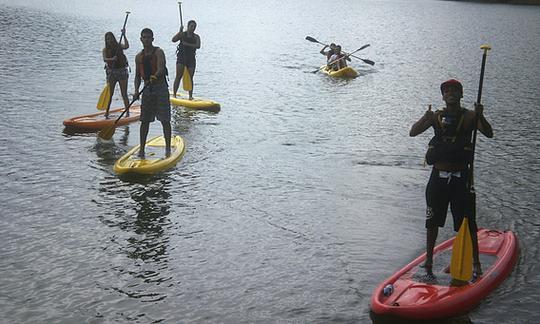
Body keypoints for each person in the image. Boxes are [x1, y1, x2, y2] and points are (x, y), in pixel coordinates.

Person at [410, 79, 493, 280]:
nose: (451, 93)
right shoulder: (435, 116)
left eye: (455, 90)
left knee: (467, 222)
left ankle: (476, 264)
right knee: (432, 222)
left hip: (460, 180)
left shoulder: (470, 116)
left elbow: (489, 134)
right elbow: (413, 132)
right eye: (447, 91)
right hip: (437, 179)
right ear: (443, 96)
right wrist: (425, 117)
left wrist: (481, 115)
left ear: (461, 94)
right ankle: (428, 263)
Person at [134, 28, 171, 158]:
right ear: (141, 39)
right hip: (147, 90)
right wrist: (136, 91)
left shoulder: (159, 52)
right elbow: (138, 76)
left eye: (149, 37)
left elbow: (161, 68)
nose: (146, 40)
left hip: (160, 88)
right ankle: (142, 149)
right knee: (144, 120)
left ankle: (168, 148)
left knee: (165, 120)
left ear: (152, 39)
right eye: (144, 37)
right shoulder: (139, 56)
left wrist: (155, 76)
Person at [102, 30, 130, 118]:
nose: (109, 41)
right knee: (110, 94)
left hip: (122, 72)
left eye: (110, 39)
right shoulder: (105, 49)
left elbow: (127, 46)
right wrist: (112, 59)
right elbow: (105, 59)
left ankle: (127, 112)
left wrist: (124, 35)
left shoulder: (119, 46)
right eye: (107, 39)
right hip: (111, 73)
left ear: (113, 39)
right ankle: (106, 112)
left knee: (124, 94)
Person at [172, 20, 201, 100]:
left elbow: (198, 46)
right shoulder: (182, 34)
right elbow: (173, 40)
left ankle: (190, 96)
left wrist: (187, 44)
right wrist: (179, 31)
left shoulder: (196, 37)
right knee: (178, 76)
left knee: (190, 77)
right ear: (188, 26)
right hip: (182, 57)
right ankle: (174, 94)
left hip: (191, 59)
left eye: (194, 27)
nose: (193, 28)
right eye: (191, 26)